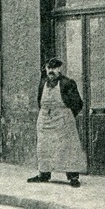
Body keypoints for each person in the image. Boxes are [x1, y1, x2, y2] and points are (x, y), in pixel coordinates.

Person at [28, 58, 84, 187]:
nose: (51, 71)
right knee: (43, 147)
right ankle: (44, 174)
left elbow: (78, 104)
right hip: (45, 119)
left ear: (59, 69)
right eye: (49, 68)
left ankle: (73, 177)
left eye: (54, 68)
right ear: (46, 69)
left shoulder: (67, 83)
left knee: (68, 147)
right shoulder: (43, 83)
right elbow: (39, 101)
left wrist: (66, 115)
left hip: (62, 120)